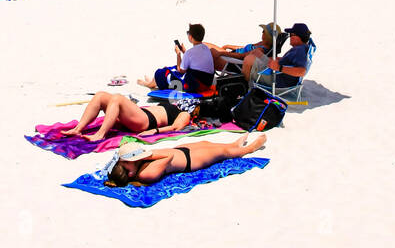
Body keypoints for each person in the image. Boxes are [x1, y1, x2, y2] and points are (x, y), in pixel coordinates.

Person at [105, 133, 267, 188]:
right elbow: (168, 157)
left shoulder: (137, 165)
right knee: (223, 153)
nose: (126, 161)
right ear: (130, 173)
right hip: (190, 161)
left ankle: (233, 144)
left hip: (180, 151)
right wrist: (145, 155)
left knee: (207, 144)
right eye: (125, 163)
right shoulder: (146, 174)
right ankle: (250, 148)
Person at [62, 90, 195, 142]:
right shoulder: (175, 107)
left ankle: (100, 134)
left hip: (146, 122)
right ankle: (78, 128)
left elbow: (175, 128)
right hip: (141, 114)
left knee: (118, 98)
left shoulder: (185, 114)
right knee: (100, 96)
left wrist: (154, 131)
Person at [139, 23, 215, 94]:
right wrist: (184, 51)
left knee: (163, 73)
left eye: (188, 33)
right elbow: (195, 60)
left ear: (191, 37)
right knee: (171, 68)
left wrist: (178, 54)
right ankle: (152, 81)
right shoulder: (206, 48)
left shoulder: (190, 53)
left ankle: (149, 84)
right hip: (206, 83)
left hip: (195, 86)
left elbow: (181, 70)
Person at [207, 22, 282, 78]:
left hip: (233, 62)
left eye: (263, 31)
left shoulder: (260, 50)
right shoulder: (262, 43)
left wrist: (221, 53)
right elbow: (245, 48)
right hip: (231, 55)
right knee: (204, 45)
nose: (262, 33)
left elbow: (241, 56)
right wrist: (228, 46)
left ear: (267, 36)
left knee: (206, 51)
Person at [253, 22, 311, 91]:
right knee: (255, 55)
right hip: (280, 77)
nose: (290, 37)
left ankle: (249, 90)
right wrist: (276, 59)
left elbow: (301, 71)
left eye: (291, 35)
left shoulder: (300, 50)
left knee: (250, 60)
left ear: (298, 37)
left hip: (278, 81)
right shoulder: (301, 48)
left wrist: (279, 68)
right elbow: (290, 61)